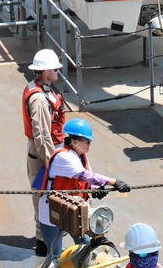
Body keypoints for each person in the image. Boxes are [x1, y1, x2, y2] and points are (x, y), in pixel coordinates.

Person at [34, 118, 131, 252]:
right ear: (75, 141)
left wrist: (96, 190)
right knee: (54, 256)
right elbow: (86, 176)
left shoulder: (80, 156)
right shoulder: (64, 157)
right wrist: (114, 182)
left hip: (73, 209)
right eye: (87, 141)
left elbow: (86, 181)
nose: (89, 145)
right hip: (52, 211)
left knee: (87, 246)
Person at [24, 48, 66, 256]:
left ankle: (47, 238)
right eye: (54, 68)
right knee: (43, 197)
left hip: (45, 149)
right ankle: (44, 244)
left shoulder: (41, 89)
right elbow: (41, 135)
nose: (58, 70)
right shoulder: (39, 100)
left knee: (48, 195)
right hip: (42, 153)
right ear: (44, 72)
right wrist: (53, 162)